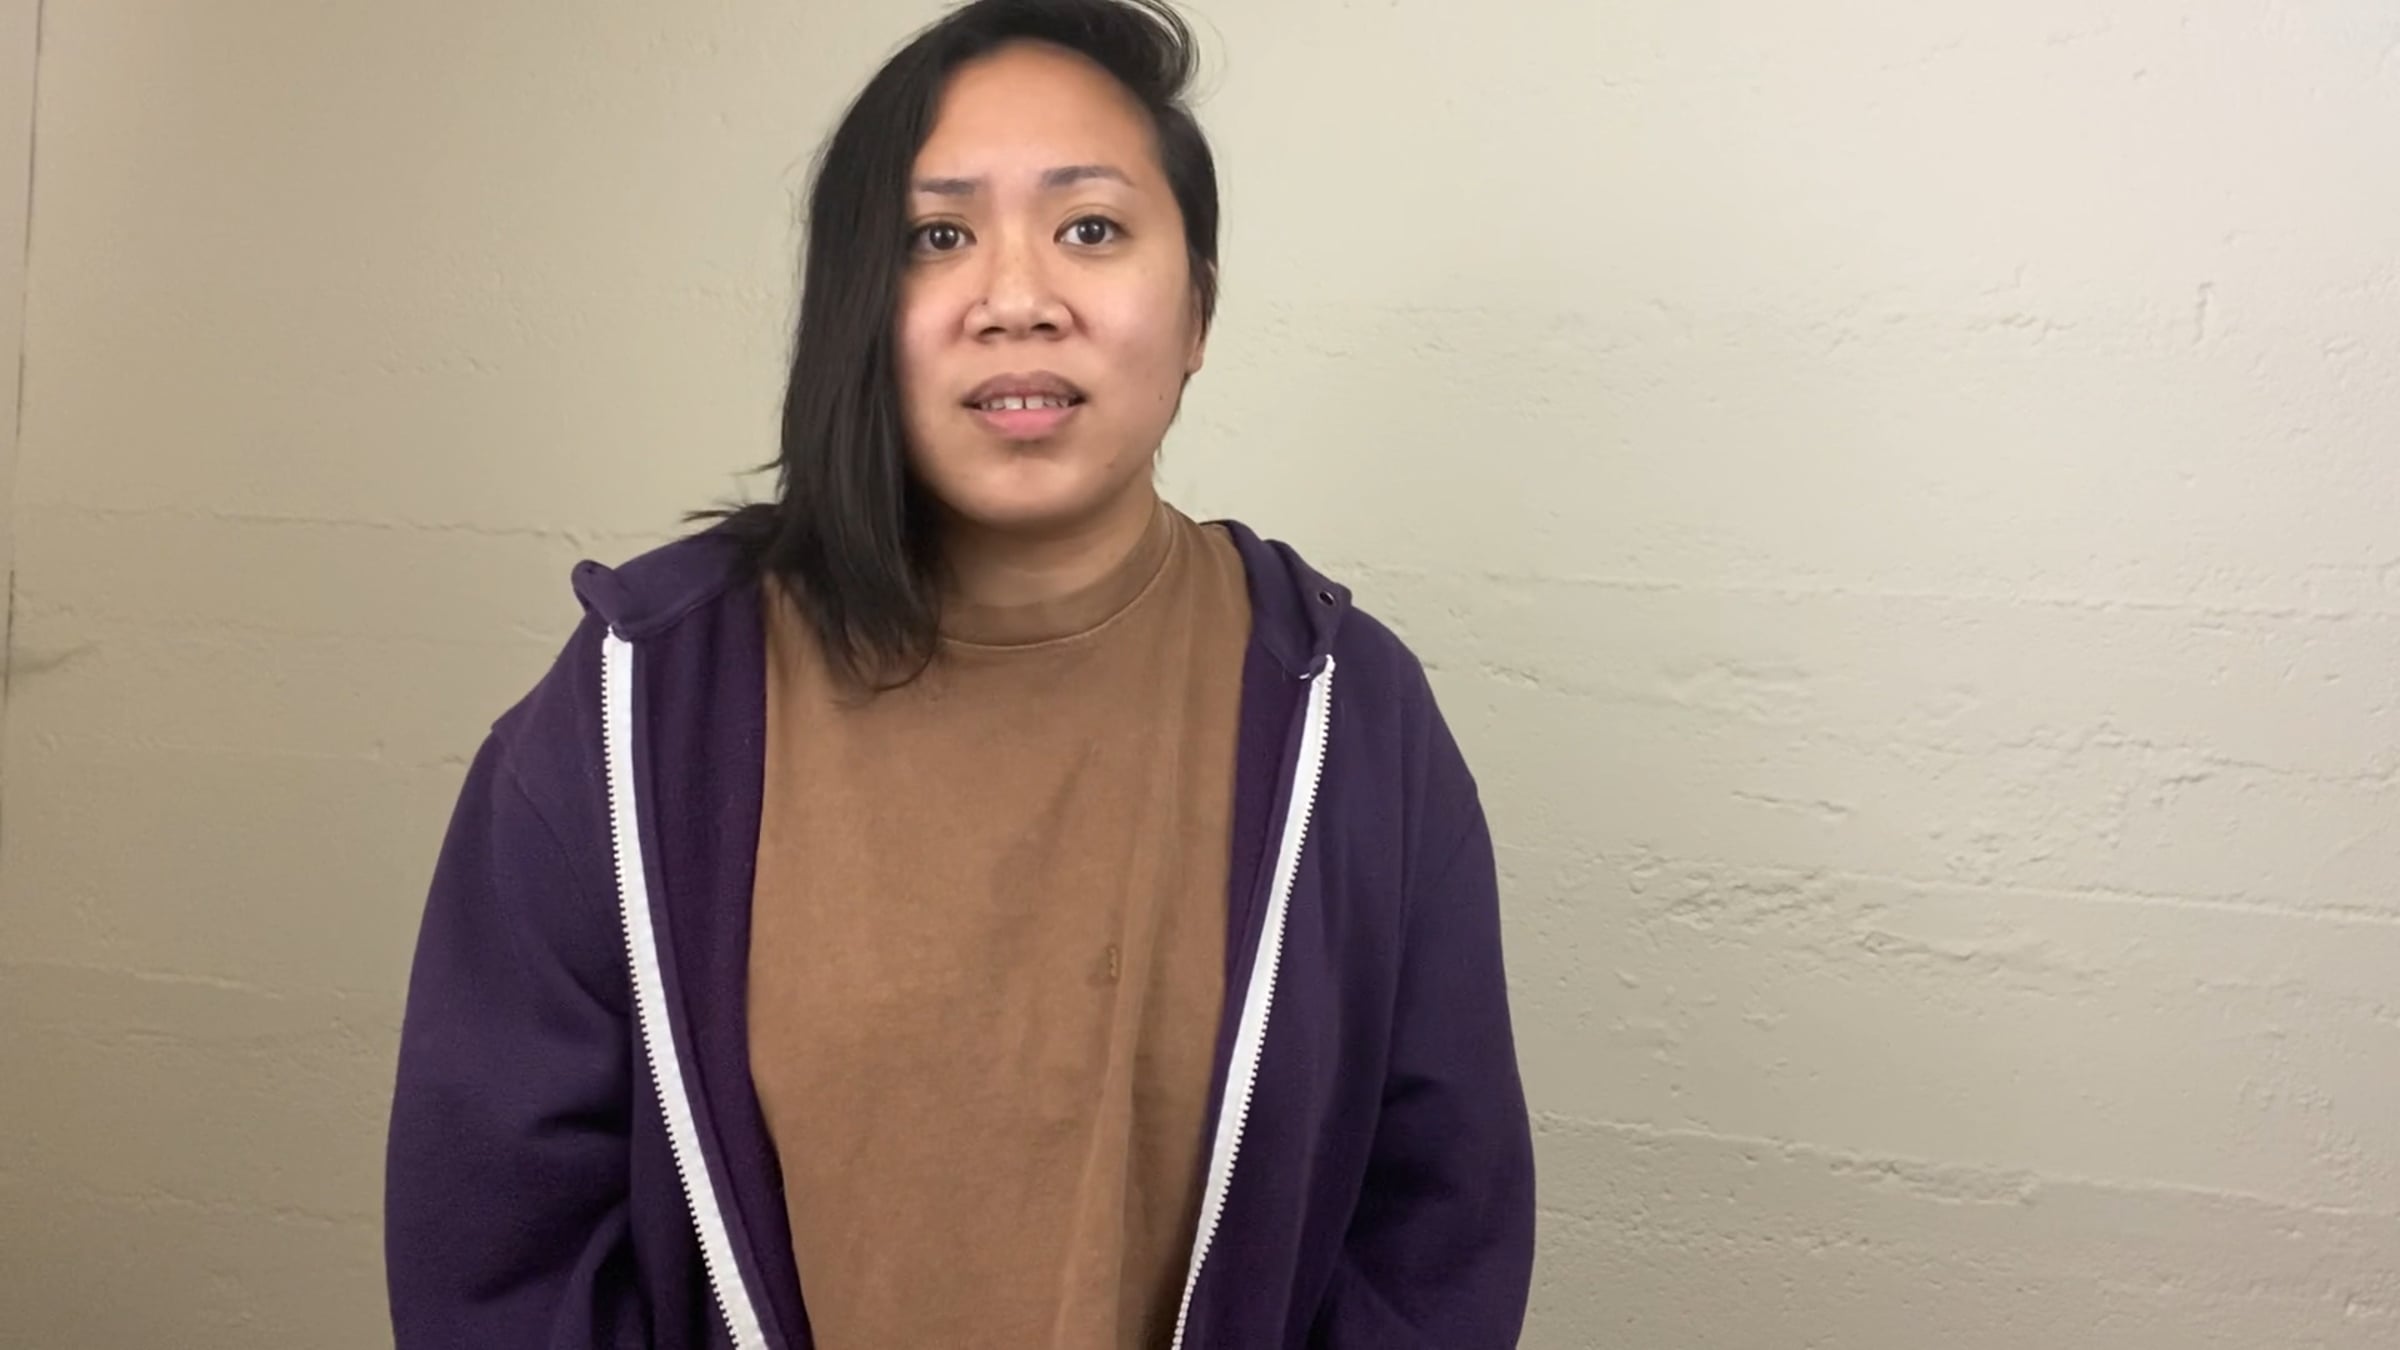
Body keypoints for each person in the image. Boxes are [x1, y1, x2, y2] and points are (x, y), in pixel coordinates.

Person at [382, 0, 1534, 1345]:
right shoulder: (642, 709)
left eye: (1090, 228)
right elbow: (498, 1251)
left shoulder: (1346, 716)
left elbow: (1433, 1230)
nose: (1017, 298)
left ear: (1198, 310)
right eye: (937, 237)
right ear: (857, 307)